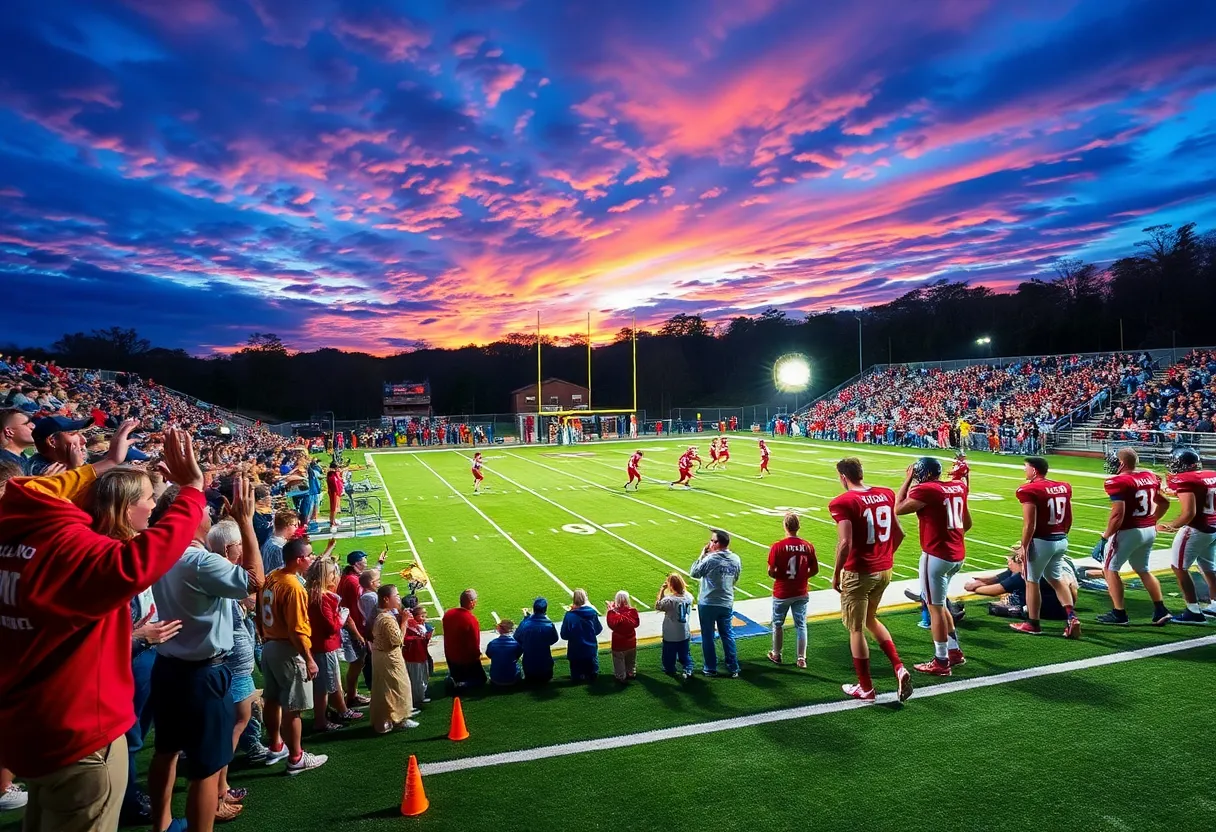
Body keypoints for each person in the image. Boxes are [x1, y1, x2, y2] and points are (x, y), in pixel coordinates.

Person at [0, 426, 204, 832]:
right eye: (148, 500)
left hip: (31, 724)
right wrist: (192, 492)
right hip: (79, 733)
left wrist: (107, 462)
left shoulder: (14, 534)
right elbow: (139, 563)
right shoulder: (66, 546)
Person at [147, 475, 264, 832]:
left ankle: (162, 824)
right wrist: (245, 522)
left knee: (165, 751)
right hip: (202, 672)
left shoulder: (156, 548)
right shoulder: (198, 560)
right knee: (206, 768)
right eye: (202, 508)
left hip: (167, 666)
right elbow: (255, 581)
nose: (209, 512)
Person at [829, 458, 913, 702]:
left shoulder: (843, 501)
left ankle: (866, 688)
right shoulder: (885, 494)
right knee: (870, 619)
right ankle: (898, 667)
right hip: (884, 569)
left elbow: (845, 543)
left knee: (855, 629)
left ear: (843, 477)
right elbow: (900, 533)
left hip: (859, 572)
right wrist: (884, 556)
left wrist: (836, 573)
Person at [258, 537, 328, 775]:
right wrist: (308, 658)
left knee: (273, 699)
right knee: (293, 706)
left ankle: (276, 745)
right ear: (299, 559)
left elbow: (259, 609)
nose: (312, 558)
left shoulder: (272, 576)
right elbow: (296, 630)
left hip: (270, 645)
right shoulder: (294, 587)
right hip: (288, 649)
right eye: (309, 555)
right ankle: (296, 757)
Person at [896, 456, 970, 676]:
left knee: (934, 607)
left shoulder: (926, 490)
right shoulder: (957, 487)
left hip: (936, 555)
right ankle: (954, 651)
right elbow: (967, 523)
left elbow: (898, 508)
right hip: (957, 554)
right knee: (940, 604)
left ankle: (941, 661)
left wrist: (907, 480)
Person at [1094, 448, 1171, 625]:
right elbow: (1164, 502)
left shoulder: (1117, 481)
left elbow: (1117, 515)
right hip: (1148, 530)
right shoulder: (1149, 476)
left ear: (1122, 463)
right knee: (1142, 569)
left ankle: (1119, 613)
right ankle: (1160, 609)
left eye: (1115, 460)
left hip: (1128, 531)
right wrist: (1152, 520)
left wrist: (1105, 537)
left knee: (1110, 569)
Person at [1010, 457, 1080, 637]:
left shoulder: (1029, 489)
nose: (1024, 471)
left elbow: (1029, 524)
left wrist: (1023, 547)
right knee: (1056, 578)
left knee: (1031, 581)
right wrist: (1064, 534)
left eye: (1026, 467)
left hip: (1041, 541)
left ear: (1034, 470)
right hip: (1061, 539)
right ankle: (1071, 616)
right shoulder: (1063, 486)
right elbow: (1069, 517)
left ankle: (1033, 623)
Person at [1157, 447, 1216, 622]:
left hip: (1197, 528)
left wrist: (1170, 526)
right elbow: (1200, 492)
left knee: (1179, 567)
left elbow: (1188, 513)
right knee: (1208, 567)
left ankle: (1193, 610)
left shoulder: (1184, 479)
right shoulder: (1210, 474)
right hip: (1213, 525)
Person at [306, 557, 363, 731]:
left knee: (331, 683)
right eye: (333, 574)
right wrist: (342, 615)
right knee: (324, 687)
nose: (335, 577)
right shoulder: (322, 598)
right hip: (324, 647)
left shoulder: (316, 594)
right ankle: (321, 722)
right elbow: (331, 626)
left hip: (322, 646)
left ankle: (339, 711)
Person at [766, 513, 817, 668]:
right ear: (798, 527)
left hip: (782, 591)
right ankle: (801, 658)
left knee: (777, 624)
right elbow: (814, 570)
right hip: (801, 591)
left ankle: (776, 654)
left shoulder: (778, 546)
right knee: (801, 624)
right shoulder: (808, 545)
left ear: (785, 526)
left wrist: (779, 576)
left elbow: (771, 570)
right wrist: (802, 577)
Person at [690, 529, 742, 677]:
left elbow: (694, 573)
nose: (710, 543)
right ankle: (733, 668)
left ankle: (710, 668)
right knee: (727, 635)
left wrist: (703, 555)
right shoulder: (736, 559)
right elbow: (735, 579)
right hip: (726, 601)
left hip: (708, 602)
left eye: (713, 541)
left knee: (708, 636)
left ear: (718, 543)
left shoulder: (710, 559)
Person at [369, 584, 419, 733]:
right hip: (389, 658)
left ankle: (386, 719)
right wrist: (404, 621)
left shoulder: (380, 614)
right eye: (396, 595)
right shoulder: (386, 619)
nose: (399, 598)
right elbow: (397, 640)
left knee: (384, 689)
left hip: (380, 656)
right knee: (398, 687)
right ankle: (400, 718)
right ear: (386, 599)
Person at [337, 549, 384, 706]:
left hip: (351, 626)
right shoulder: (353, 582)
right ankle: (351, 696)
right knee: (358, 663)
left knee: (358, 663)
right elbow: (357, 608)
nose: (366, 562)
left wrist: (380, 563)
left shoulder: (349, 578)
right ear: (357, 563)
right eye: (364, 560)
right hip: (354, 627)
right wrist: (360, 633)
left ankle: (352, 694)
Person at [442, 588, 487, 689]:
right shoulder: (471, 620)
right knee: (481, 679)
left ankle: (454, 677)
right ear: (471, 602)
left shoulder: (448, 614)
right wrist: (476, 658)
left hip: (450, 656)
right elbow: (475, 643)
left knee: (458, 674)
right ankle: (460, 685)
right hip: (464, 659)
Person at [656, 573, 695, 678]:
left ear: (671, 585)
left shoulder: (670, 600)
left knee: (669, 655)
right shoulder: (689, 597)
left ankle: (670, 669)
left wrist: (662, 590)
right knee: (685, 654)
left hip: (671, 633)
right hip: (684, 631)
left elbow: (658, 605)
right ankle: (688, 668)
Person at [560, 588, 603, 681]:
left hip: (575, 651)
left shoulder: (569, 615)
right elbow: (598, 629)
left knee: (576, 677)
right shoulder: (592, 613)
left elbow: (564, 635)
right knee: (593, 674)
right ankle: (592, 674)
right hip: (590, 650)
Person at [515, 597, 559, 683]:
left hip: (529, 666)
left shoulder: (525, 623)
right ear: (545, 610)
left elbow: (517, 638)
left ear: (534, 609)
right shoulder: (549, 625)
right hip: (545, 665)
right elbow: (554, 639)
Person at [402, 607, 433, 707]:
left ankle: (420, 695)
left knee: (424, 676)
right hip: (414, 657)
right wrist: (418, 638)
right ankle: (416, 698)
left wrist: (427, 637)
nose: (424, 618)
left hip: (422, 655)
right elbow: (405, 639)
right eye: (421, 616)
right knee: (416, 679)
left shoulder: (421, 626)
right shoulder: (409, 625)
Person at [606, 591, 640, 682]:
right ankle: (631, 673)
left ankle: (621, 676)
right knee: (631, 661)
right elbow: (636, 624)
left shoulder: (613, 613)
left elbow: (611, 625)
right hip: (631, 642)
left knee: (618, 661)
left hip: (618, 644)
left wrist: (610, 610)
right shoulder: (633, 611)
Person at [260, 509, 300, 574]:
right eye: (295, 525)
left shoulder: (268, 541)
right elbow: (283, 573)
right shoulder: (280, 548)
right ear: (287, 526)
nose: (297, 528)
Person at [486, 619, 524, 686]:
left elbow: (489, 655)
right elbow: (518, 655)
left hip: (496, 679)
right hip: (512, 679)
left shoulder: (492, 643)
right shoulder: (516, 644)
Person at [0, 408, 35, 474]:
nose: (33, 427)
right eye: (26, 423)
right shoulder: (4, 463)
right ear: (9, 431)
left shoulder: (21, 456)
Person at [326, 461, 344, 532]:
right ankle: (332, 523)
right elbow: (334, 484)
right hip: (333, 493)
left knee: (336, 507)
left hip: (336, 493)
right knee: (333, 508)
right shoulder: (331, 475)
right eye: (337, 467)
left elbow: (340, 479)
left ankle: (333, 520)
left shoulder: (334, 474)